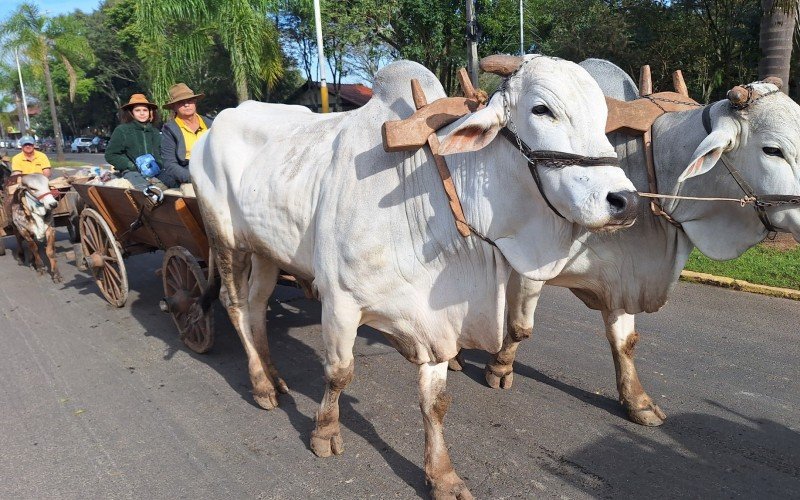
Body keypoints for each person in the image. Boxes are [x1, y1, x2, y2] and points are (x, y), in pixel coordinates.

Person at [159, 83, 213, 188]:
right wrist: (193, 178)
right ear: (174, 107)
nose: (186, 104)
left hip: (214, 170)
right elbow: (170, 165)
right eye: (181, 102)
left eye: (189, 100)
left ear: (195, 102)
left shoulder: (211, 124)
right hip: (187, 174)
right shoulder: (169, 129)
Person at [104, 93, 163, 190]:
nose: (142, 113)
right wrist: (131, 165)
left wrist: (159, 164)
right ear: (131, 113)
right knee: (147, 191)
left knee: (173, 185)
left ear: (150, 112)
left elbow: (161, 153)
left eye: (145, 110)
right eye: (137, 110)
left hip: (155, 171)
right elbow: (110, 155)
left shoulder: (155, 132)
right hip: (132, 172)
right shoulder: (122, 130)